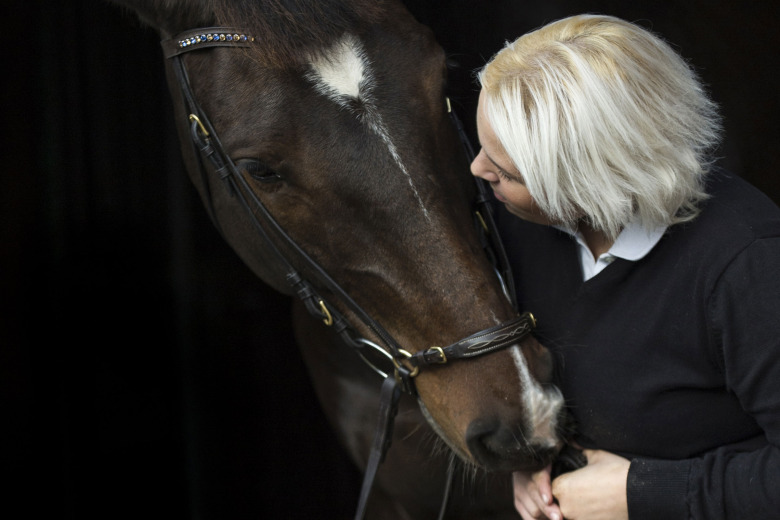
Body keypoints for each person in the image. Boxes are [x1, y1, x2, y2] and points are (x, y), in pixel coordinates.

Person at [470, 14, 780, 520]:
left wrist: (640, 493)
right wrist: (530, 462)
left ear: (589, 183)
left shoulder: (749, 266)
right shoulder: (518, 223)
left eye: (505, 171)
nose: (478, 171)